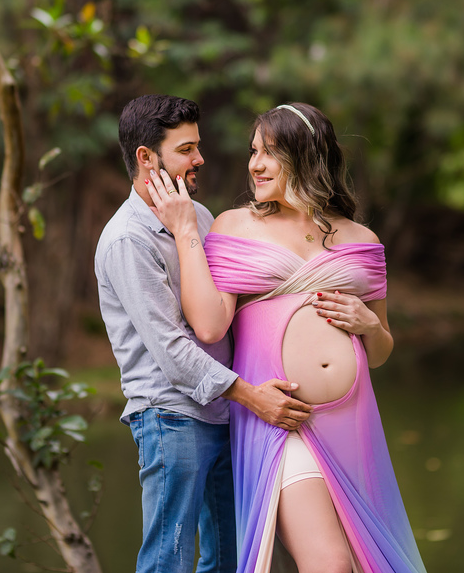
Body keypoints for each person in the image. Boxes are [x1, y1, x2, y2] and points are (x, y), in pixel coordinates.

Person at [146, 102, 427, 573]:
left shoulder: (364, 239)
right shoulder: (237, 226)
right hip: (283, 420)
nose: (254, 164)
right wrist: (184, 231)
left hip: (351, 423)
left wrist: (369, 324)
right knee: (330, 564)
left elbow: (379, 353)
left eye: (270, 153)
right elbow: (211, 325)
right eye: (253, 151)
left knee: (365, 563)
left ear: (307, 156)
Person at [95, 94, 313, 573]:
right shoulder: (127, 239)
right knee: (167, 561)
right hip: (171, 419)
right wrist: (253, 397)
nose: (200, 159)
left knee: (233, 559)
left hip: (227, 415)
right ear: (146, 158)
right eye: (186, 149)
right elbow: (172, 351)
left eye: (198, 146)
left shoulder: (205, 218)